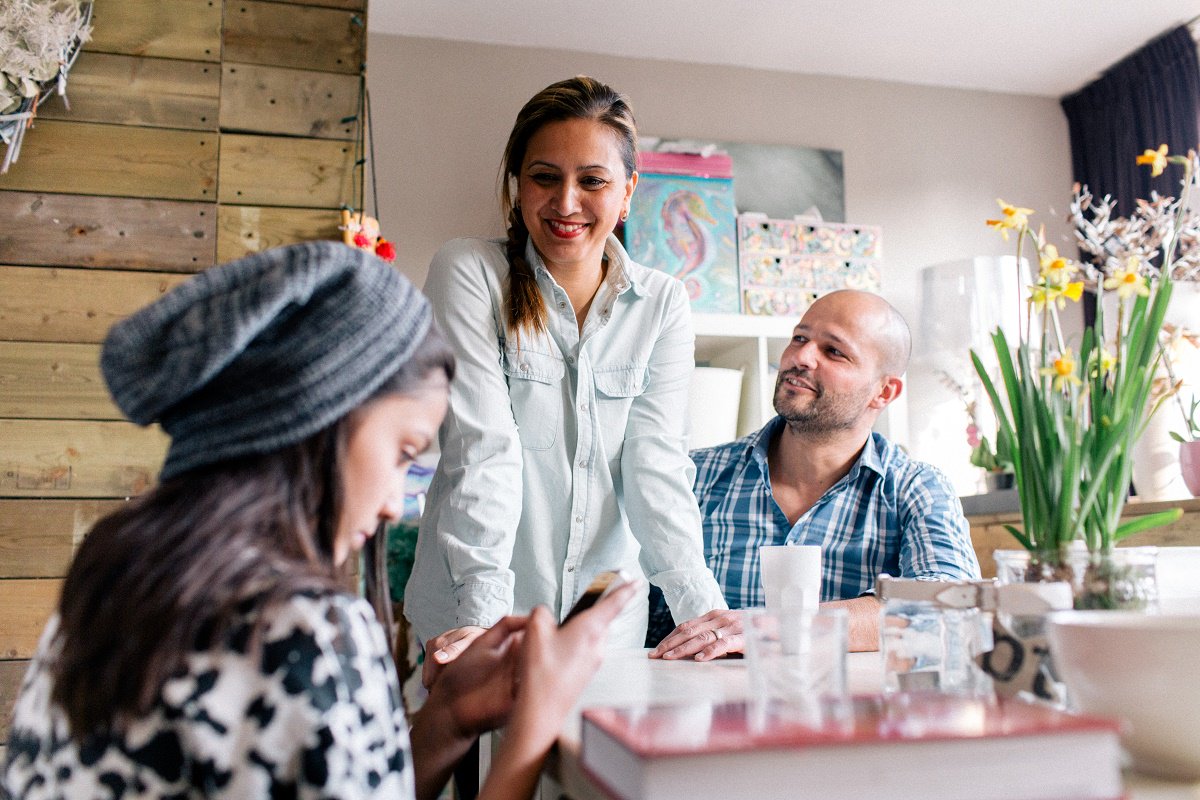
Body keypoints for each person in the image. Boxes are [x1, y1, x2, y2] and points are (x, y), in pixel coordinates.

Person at [1, 242, 637, 800]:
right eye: (403, 453)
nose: (396, 501)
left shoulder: (119, 578)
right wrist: (534, 728)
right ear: (320, 421)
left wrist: (446, 718)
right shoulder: (300, 626)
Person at [405, 75, 725, 677]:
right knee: (483, 771)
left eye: (593, 181)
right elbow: (483, 450)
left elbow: (655, 466)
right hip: (473, 616)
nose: (566, 202)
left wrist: (701, 614)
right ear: (517, 185)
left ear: (628, 191)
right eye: (544, 177)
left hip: (602, 628)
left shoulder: (662, 303)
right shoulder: (469, 272)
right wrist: (485, 619)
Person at [649, 289, 981, 659]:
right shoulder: (695, 476)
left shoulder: (917, 488)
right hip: (698, 707)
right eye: (800, 338)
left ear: (884, 392)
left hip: (850, 713)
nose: (801, 357)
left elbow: (953, 604)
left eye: (834, 351)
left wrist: (776, 625)